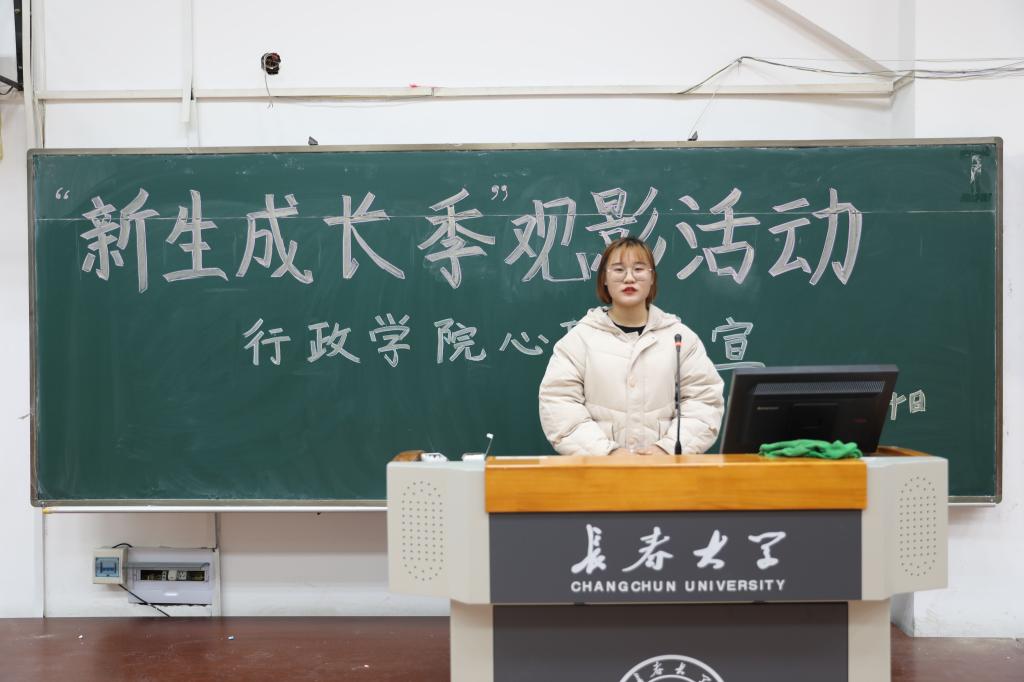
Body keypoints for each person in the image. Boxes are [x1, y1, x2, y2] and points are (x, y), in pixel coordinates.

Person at [538, 236, 724, 455]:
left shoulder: (680, 338)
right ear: (604, 279)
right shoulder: (579, 340)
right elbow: (558, 403)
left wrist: (665, 449)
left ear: (652, 278)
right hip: (599, 470)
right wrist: (606, 452)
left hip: (664, 469)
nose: (629, 278)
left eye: (639, 269)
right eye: (618, 270)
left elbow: (704, 402)